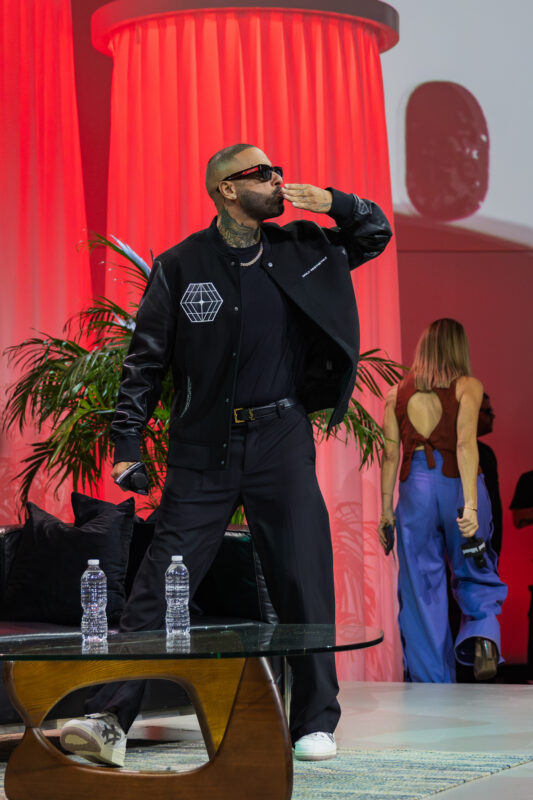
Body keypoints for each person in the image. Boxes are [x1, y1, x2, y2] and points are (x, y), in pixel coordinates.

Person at [60, 143, 393, 765]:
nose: (278, 180)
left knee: (303, 576)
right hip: (202, 449)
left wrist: (333, 202)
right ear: (227, 189)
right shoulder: (181, 265)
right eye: (262, 174)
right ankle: (108, 719)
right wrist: (127, 444)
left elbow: (374, 233)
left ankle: (315, 721)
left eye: (277, 170)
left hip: (281, 439)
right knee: (160, 583)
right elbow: (144, 364)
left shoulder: (302, 249)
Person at [378, 318, 507, 683]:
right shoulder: (467, 386)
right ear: (458, 348)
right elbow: (465, 444)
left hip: (414, 492)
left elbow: (390, 455)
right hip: (457, 487)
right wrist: (471, 506)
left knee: (421, 589)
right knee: (475, 566)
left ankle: (432, 684)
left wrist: (386, 512)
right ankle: (483, 634)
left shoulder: (395, 393)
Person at [477, 393, 503, 557]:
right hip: (471, 543)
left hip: (489, 544)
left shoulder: (486, 453)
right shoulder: (452, 452)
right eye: (487, 411)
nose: (492, 416)